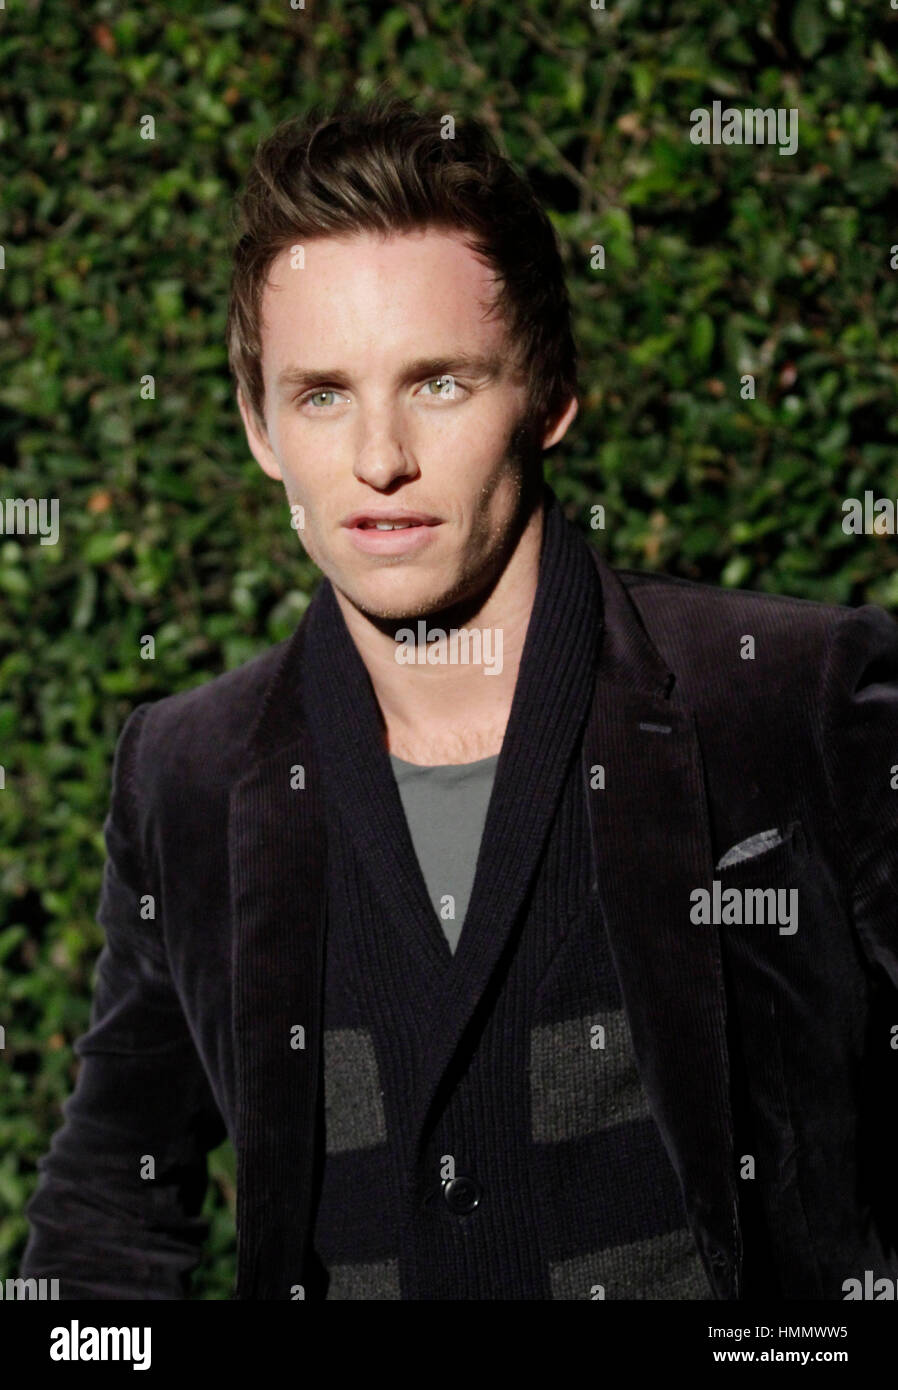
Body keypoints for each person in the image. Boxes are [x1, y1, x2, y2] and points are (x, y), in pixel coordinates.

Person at [20, 95, 898, 1301]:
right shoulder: (186, 770)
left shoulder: (795, 699)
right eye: (321, 393)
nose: (378, 458)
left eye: (436, 383)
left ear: (547, 394)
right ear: (258, 426)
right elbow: (112, 1196)